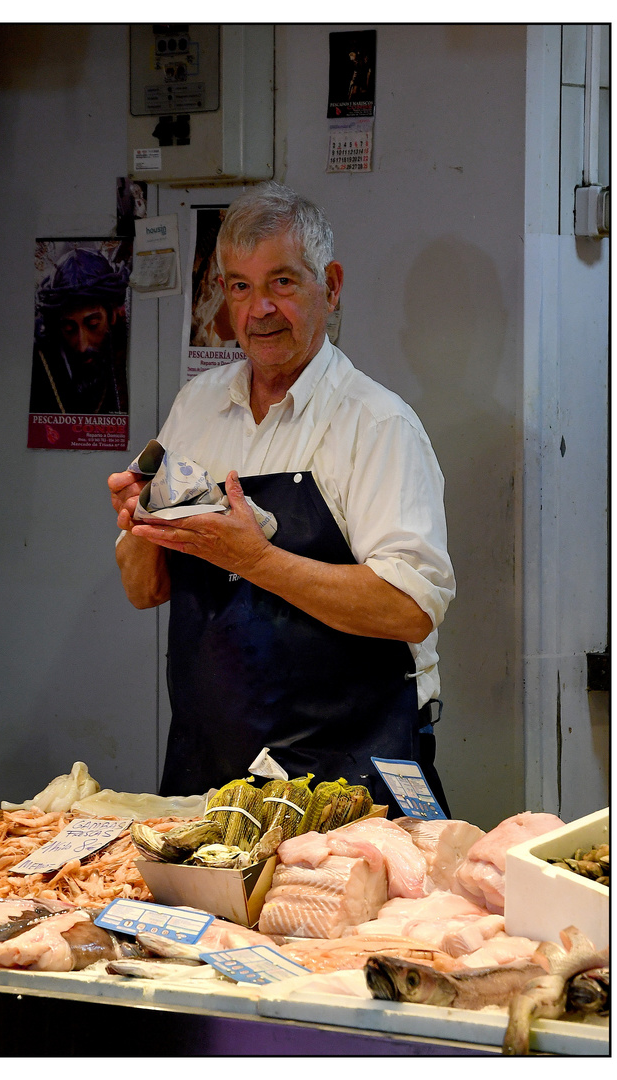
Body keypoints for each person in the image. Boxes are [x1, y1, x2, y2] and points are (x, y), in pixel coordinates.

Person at [108, 182, 455, 813]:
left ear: (332, 285)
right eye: (239, 286)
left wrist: (258, 561)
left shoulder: (377, 425)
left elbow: (410, 608)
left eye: (283, 283)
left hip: (347, 782)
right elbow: (146, 591)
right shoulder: (197, 406)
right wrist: (139, 524)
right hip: (207, 775)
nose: (259, 308)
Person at [30, 247, 130, 415]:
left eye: (93, 324)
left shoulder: (127, 348)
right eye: (69, 329)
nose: (82, 346)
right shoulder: (39, 363)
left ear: (112, 314)